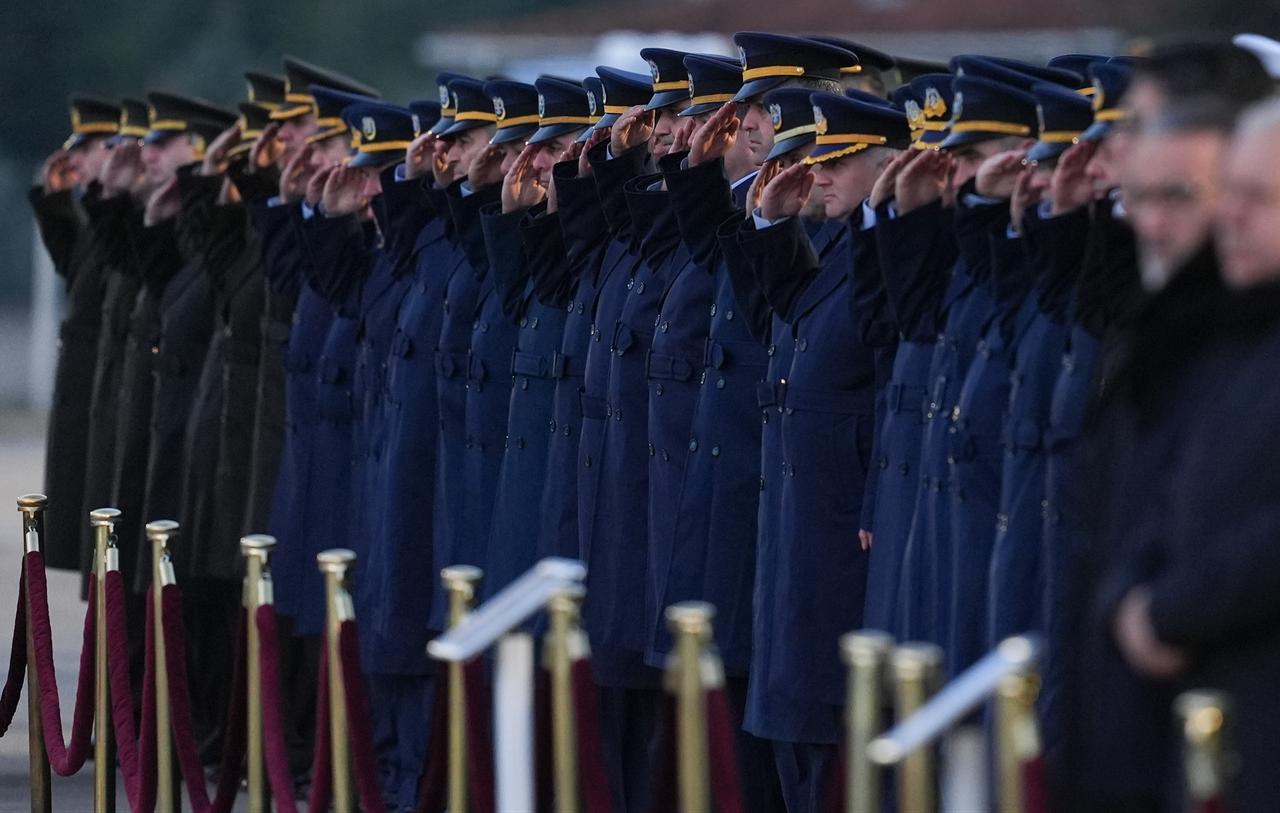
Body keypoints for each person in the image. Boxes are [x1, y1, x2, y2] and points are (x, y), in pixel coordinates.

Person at [30, 96, 120, 572]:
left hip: (105, 389)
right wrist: (56, 204)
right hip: (86, 391)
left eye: (86, 150)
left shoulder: (123, 219)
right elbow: (77, 270)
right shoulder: (101, 219)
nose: (75, 161)